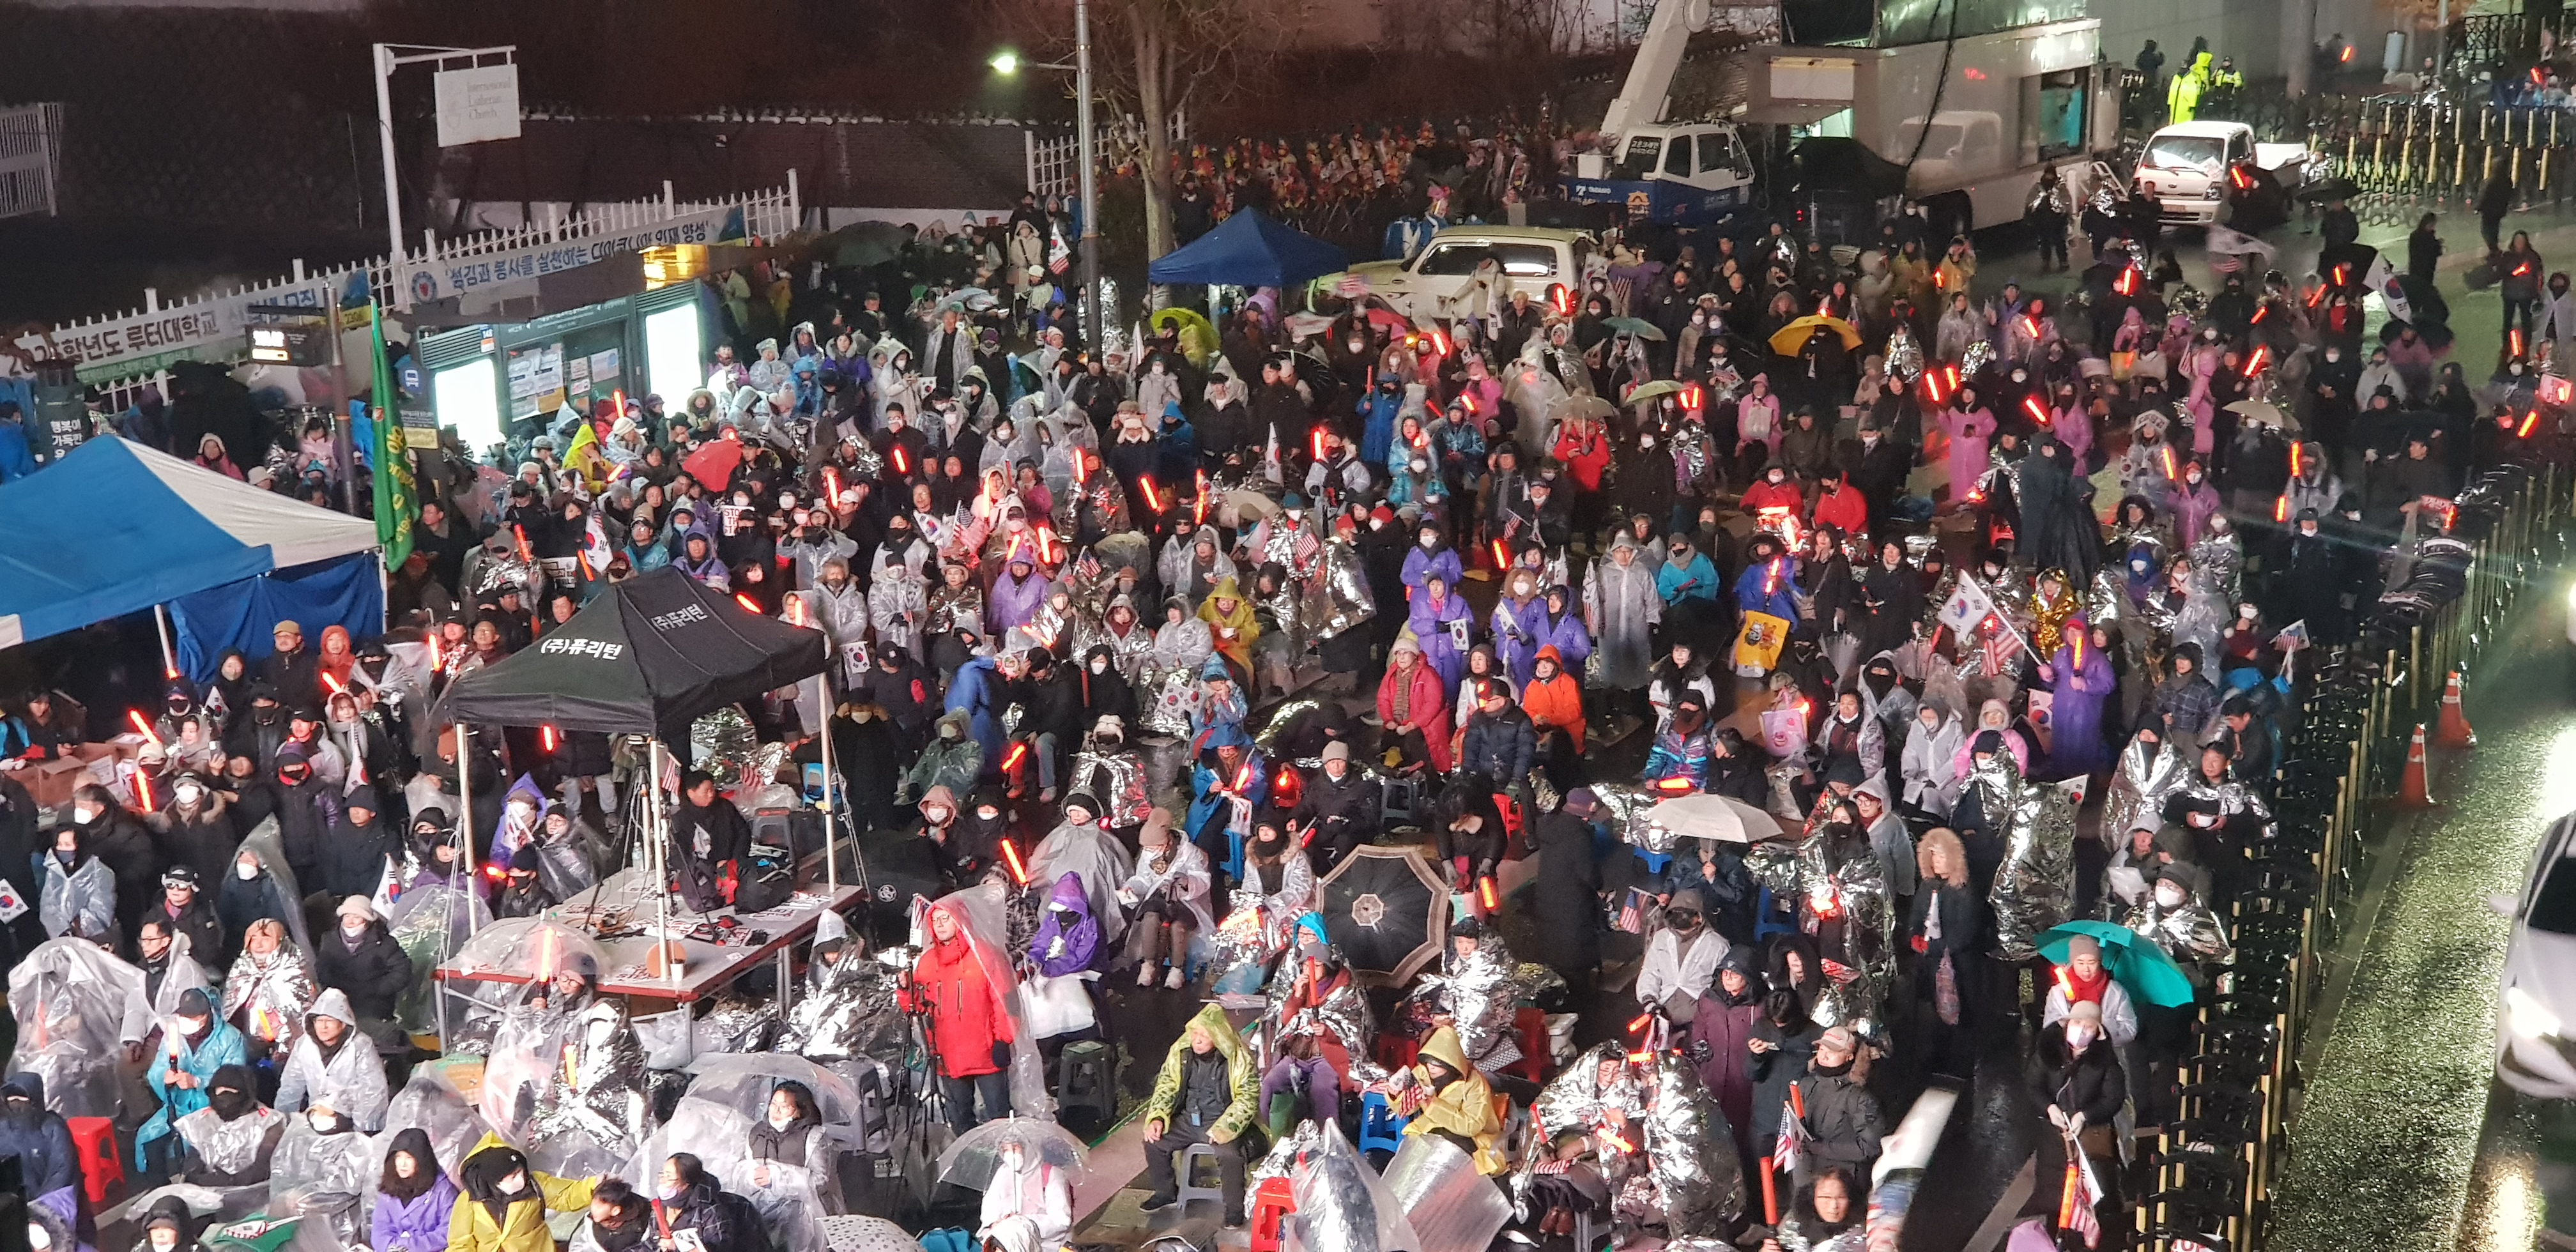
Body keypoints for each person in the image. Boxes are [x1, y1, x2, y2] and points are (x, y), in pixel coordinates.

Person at [898, 899, 1016, 1134]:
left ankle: (1008, 1155)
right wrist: (905, 989)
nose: (940, 925)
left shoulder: (986, 955)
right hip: (947, 1056)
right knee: (960, 1120)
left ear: (960, 920)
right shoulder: (927, 962)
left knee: (1001, 1119)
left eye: (946, 918)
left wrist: (1004, 1039)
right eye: (935, 920)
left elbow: (1008, 1000)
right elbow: (917, 1008)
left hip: (987, 1054)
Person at [1140, 1004, 1260, 1226]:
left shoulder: (1239, 1059)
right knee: (1154, 1142)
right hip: (1188, 1119)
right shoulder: (1181, 1054)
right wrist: (1157, 1116)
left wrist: (1226, 1128)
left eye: (1204, 1035)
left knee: (1230, 1156)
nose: (1197, 1040)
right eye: (1195, 1034)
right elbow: (1166, 1086)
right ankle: (1166, 1192)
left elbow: (1248, 1098)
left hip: (1220, 1120)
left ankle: (1234, 1210)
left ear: (1218, 1036)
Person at [137, 986, 244, 1177]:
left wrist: (197, 1082)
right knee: (148, 1139)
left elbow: (235, 1080)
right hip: (177, 1108)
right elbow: (158, 1068)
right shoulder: (174, 1035)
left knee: (199, 1154)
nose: (187, 1022)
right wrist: (165, 1078)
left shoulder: (231, 1039)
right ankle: (158, 1187)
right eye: (183, 1017)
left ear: (208, 1015)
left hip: (213, 1112)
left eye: (194, 1018)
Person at [1392, 1025, 1507, 1174]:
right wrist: (1396, 1094)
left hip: (1469, 1138)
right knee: (1412, 1163)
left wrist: (1433, 1105)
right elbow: (1407, 1107)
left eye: (1437, 1063)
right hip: (1428, 1129)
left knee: (1453, 1166)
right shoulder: (1423, 1073)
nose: (1431, 1067)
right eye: (1428, 1061)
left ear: (1451, 1064)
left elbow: (1472, 1125)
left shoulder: (1475, 1084)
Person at [274, 988, 390, 1133]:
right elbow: (291, 1086)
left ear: (343, 1023)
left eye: (329, 1021)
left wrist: (362, 1131)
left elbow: (373, 1090)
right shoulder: (303, 1045)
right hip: (316, 1114)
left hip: (350, 1117)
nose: (323, 1027)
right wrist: (283, 1124)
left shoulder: (360, 1045)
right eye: (319, 1021)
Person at [450, 1139, 597, 1252]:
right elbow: (461, 1242)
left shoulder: (535, 1184)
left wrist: (594, 1186)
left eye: (521, 1172)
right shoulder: (470, 1200)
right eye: (513, 1177)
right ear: (494, 1181)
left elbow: (566, 1195)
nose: (521, 1179)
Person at [314, 896, 413, 1050]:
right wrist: (335, 990)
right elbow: (322, 969)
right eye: (347, 916)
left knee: (370, 1037)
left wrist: (378, 989)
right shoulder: (329, 940)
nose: (350, 921)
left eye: (356, 917)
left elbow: (402, 971)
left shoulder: (384, 943)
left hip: (373, 1003)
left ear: (367, 921)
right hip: (339, 1000)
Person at [1789, 1026, 1883, 1184]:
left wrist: (1821, 1148)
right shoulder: (1806, 1084)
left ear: (1849, 1057)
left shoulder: (1860, 1096)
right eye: (1821, 1049)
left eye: (1833, 1051)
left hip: (1840, 1182)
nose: (1824, 1055)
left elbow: (1869, 1147)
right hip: (1806, 1176)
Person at [172, 1064, 284, 1186]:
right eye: (220, 1093)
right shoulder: (203, 1120)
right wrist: (201, 1179)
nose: (225, 1100)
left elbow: (261, 1169)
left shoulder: (269, 1122)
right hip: (207, 1191)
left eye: (231, 1093)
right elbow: (193, 1164)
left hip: (253, 1192)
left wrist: (228, 1181)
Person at [1637, 887, 1727, 1023]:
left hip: (1700, 1016)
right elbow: (1650, 971)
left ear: (1700, 916)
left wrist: (1709, 1008)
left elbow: (1722, 983)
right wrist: (1649, 1000)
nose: (1680, 918)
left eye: (1686, 914)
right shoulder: (1661, 938)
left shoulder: (1717, 944)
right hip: (1661, 1009)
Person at [976, 1135, 1073, 1249]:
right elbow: (990, 1207)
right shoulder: (1003, 1173)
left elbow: (1061, 1220)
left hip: (1045, 1245)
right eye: (1005, 1150)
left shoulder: (1052, 1174)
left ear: (1029, 1148)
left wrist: (1022, 1224)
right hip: (1007, 1244)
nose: (1010, 1154)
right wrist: (995, 1224)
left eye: (1015, 1148)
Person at [372, 1128, 458, 1252]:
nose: (402, 1164)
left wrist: (409, 1246)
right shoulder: (390, 1186)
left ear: (421, 1160)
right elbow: (380, 1229)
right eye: (398, 1157)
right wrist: (391, 1247)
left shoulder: (443, 1191)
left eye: (409, 1158)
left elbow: (448, 1231)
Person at [0, 1074, 75, 1197]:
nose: (16, 1104)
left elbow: (62, 1173)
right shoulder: (3, 1129)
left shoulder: (53, 1129)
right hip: (11, 1202)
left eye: (23, 1099)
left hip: (44, 1200)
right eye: (11, 1098)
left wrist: (41, 1203)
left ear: (35, 1100)